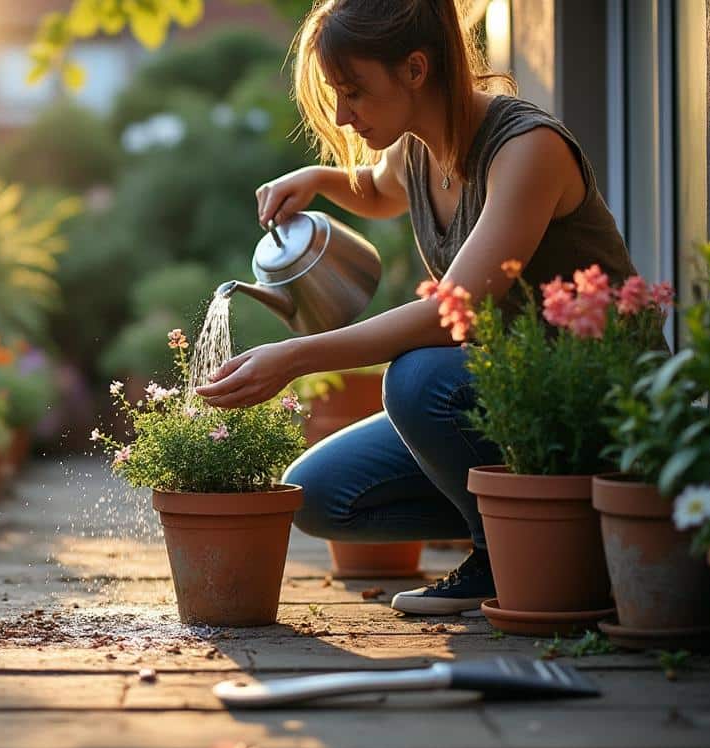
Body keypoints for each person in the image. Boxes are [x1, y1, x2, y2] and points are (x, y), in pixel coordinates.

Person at [194, 0, 637, 615]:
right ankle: (553, 526)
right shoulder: (416, 150)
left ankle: (502, 560)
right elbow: (376, 191)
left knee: (419, 378)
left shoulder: (526, 149)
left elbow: (448, 313)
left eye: (354, 92)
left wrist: (294, 357)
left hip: (598, 403)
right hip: (515, 403)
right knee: (321, 496)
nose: (345, 117)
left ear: (415, 70)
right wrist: (316, 179)